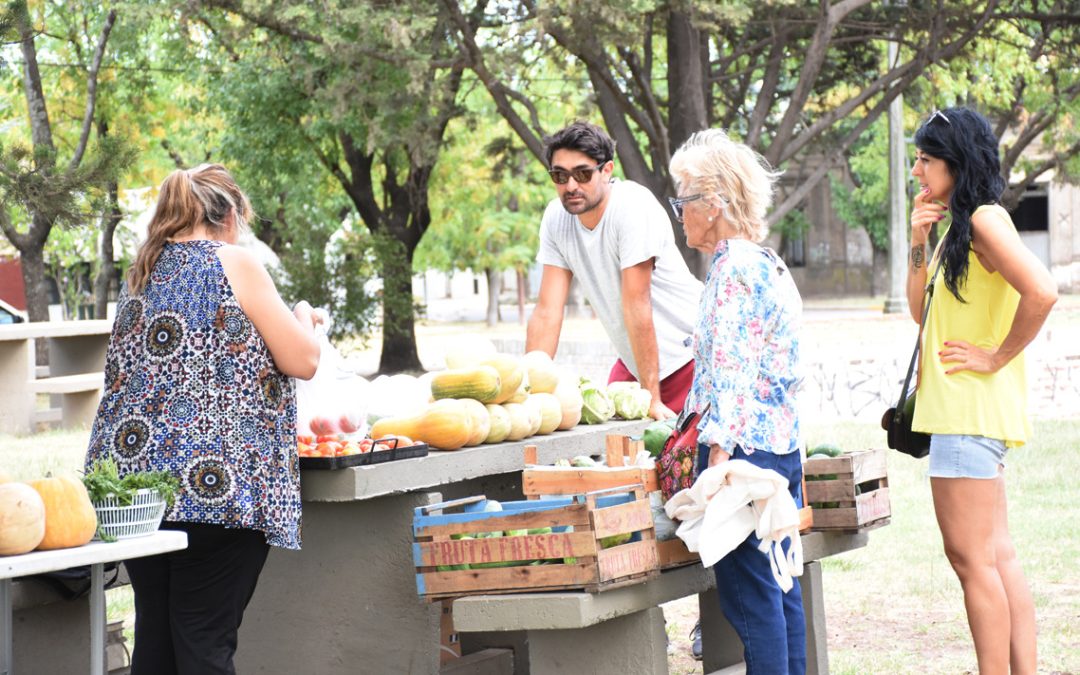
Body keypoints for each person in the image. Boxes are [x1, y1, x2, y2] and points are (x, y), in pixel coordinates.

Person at [85, 164, 322, 674]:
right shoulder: (235, 261)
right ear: (230, 216)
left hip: (136, 490)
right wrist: (304, 315)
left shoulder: (142, 270)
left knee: (159, 640)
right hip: (215, 487)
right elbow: (302, 359)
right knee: (204, 643)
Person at [907, 107, 1056, 674]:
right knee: (996, 556)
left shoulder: (988, 220)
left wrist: (995, 356)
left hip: (968, 415)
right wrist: (920, 237)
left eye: (926, 159)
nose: (918, 170)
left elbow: (1042, 292)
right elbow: (919, 311)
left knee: (972, 561)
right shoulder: (963, 225)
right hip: (970, 416)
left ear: (956, 163)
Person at [670, 129, 806, 675]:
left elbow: (729, 372)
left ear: (715, 203)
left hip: (741, 457)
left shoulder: (730, 272)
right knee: (781, 586)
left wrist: (718, 461)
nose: (679, 213)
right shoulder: (767, 263)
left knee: (751, 602)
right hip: (780, 450)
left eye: (682, 200)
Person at [526, 121, 704, 420]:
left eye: (582, 174)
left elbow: (637, 303)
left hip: (692, 359)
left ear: (606, 170)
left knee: (695, 464)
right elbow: (547, 312)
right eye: (559, 175)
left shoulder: (632, 206)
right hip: (637, 362)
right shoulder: (556, 218)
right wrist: (528, 397)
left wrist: (650, 398)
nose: (570, 186)